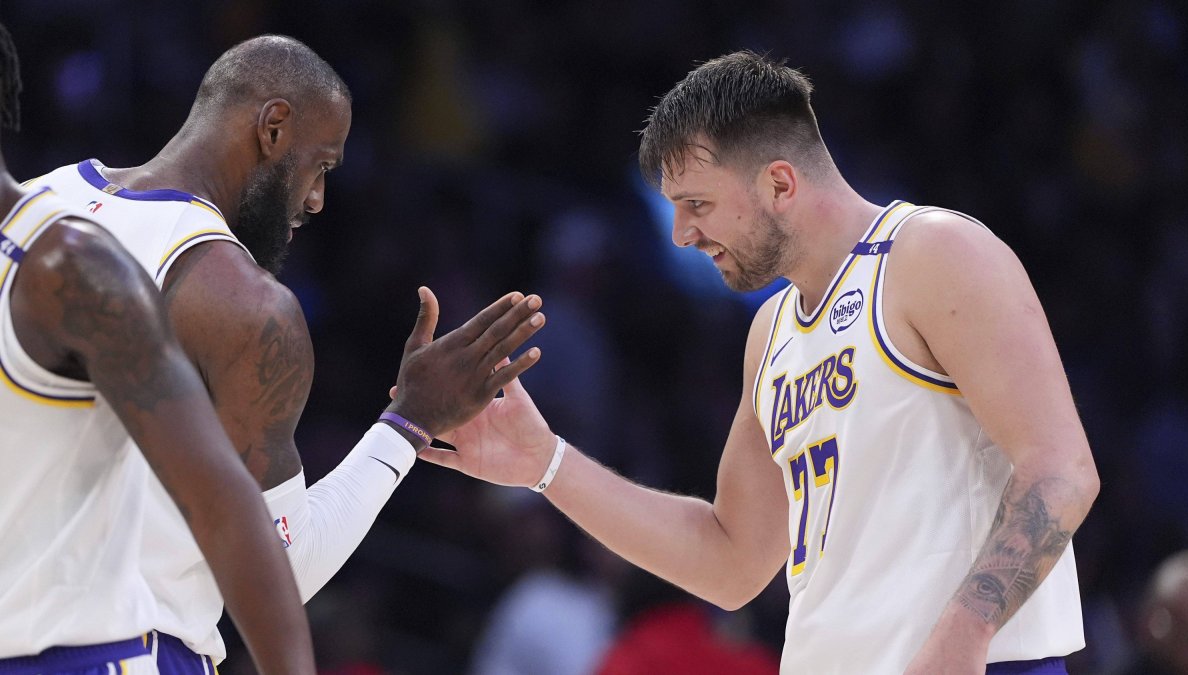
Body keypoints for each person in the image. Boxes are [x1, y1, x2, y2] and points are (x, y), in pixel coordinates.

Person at [419, 51, 1101, 674]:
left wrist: (963, 636)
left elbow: (1062, 469)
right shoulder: (771, 331)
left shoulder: (933, 252)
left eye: (698, 205)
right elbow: (732, 559)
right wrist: (546, 463)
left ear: (779, 182)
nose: (684, 235)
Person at [25, 34, 545, 669]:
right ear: (273, 128)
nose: (318, 199)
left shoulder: (33, 204)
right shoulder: (242, 304)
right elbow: (281, 572)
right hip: (115, 653)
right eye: (320, 165)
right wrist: (411, 423)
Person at [0, 22, 316, 674]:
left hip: (80, 655)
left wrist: (400, 434)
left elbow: (231, 509)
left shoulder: (72, 265)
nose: (315, 197)